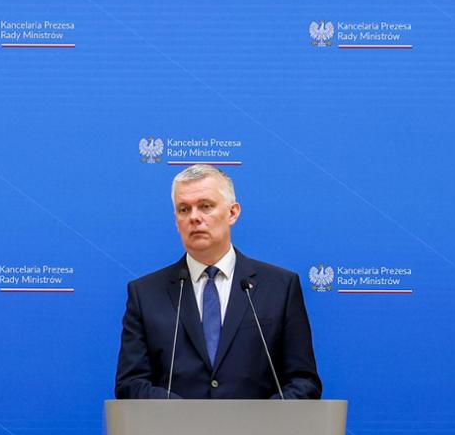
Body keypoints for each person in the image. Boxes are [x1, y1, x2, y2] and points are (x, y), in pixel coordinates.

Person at [115, 164, 320, 400]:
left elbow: (304, 381)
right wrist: (183, 416)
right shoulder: (145, 294)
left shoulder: (280, 287)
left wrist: (264, 419)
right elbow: (130, 384)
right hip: (174, 433)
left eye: (205, 206)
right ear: (176, 221)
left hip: (258, 434)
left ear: (232, 213)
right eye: (184, 209)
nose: (194, 217)